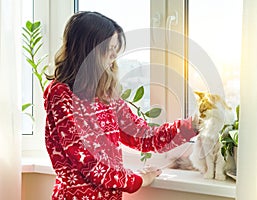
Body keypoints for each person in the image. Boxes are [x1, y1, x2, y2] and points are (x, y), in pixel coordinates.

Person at [44, 11, 199, 200]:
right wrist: (138, 180)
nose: (113, 57)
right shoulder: (61, 94)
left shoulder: (106, 95)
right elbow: (88, 163)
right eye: (108, 49)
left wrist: (191, 126)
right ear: (88, 51)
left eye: (115, 50)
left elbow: (143, 136)